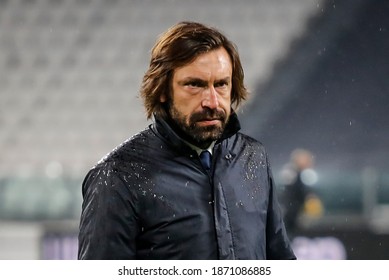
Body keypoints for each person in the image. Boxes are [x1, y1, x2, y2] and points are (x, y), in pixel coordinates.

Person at [78, 21, 296, 260]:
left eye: (221, 84)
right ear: (162, 89)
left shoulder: (253, 157)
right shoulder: (118, 176)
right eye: (195, 85)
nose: (212, 102)